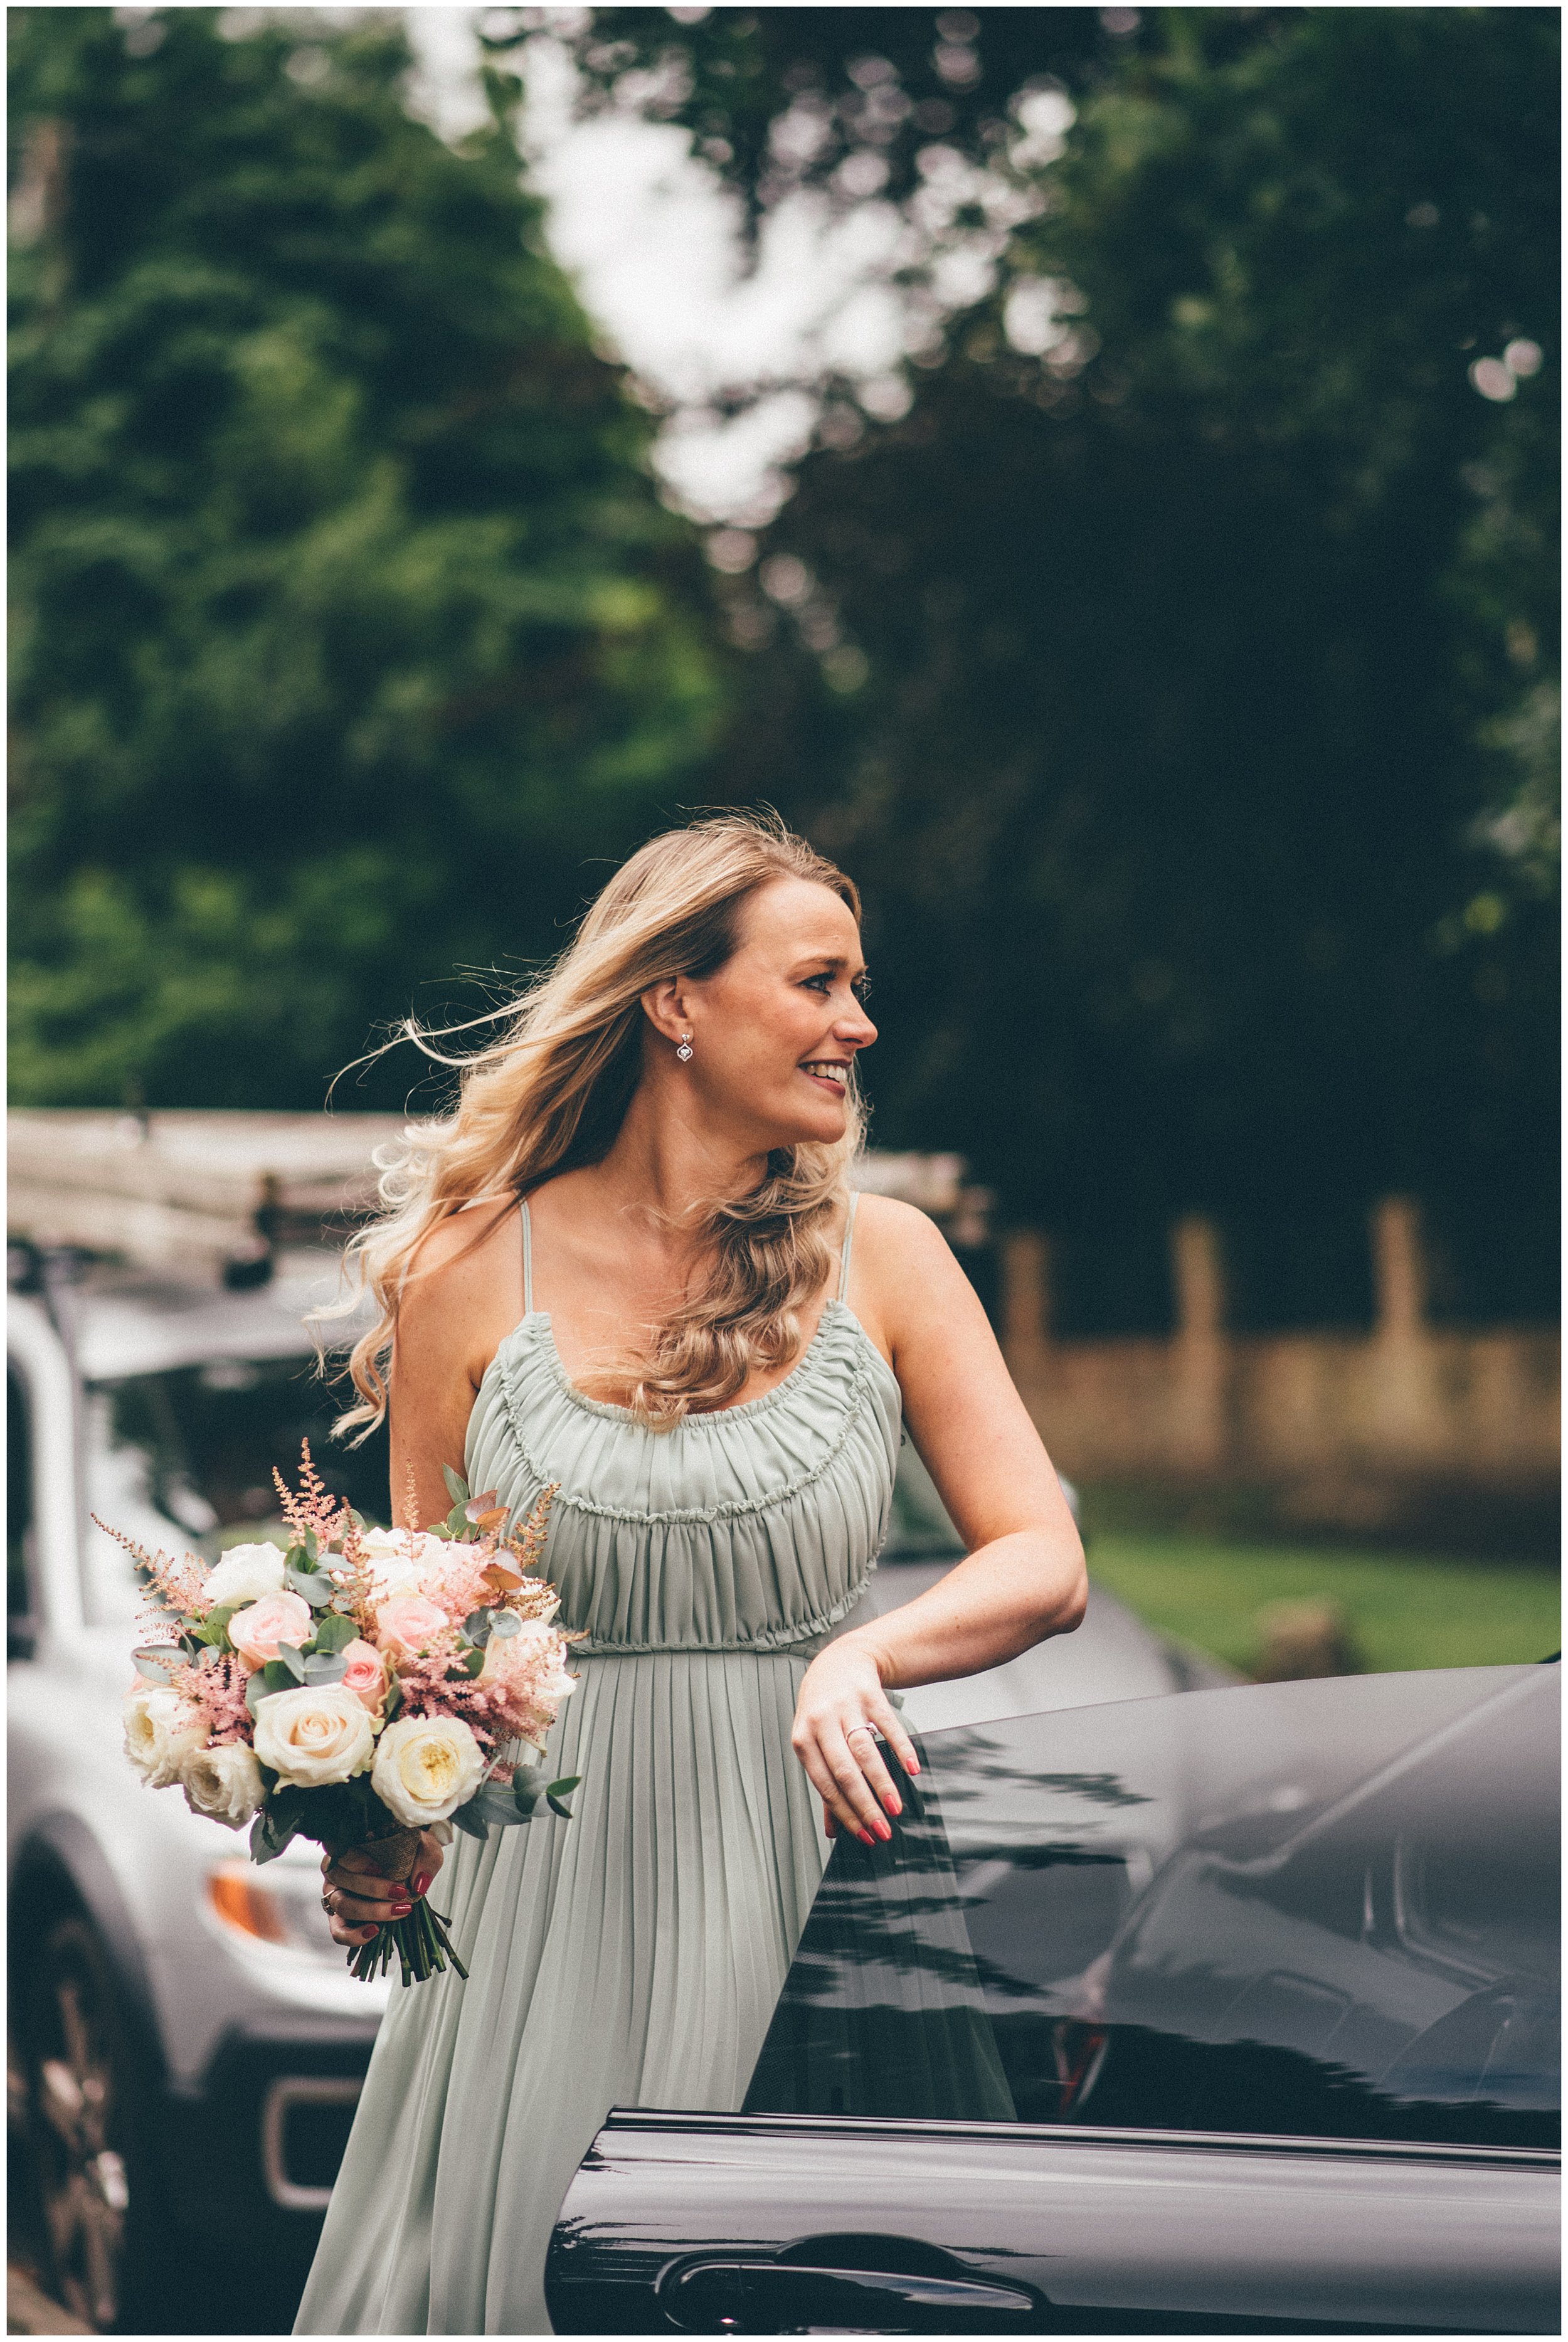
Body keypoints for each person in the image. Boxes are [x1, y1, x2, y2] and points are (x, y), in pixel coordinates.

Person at [296, 814, 1085, 2335]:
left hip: (819, 1879)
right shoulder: (469, 1269)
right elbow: (422, 1648)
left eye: (857, 987)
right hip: (548, 1910)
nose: (857, 1022)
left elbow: (1041, 1555)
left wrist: (867, 1656)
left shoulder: (892, 1255)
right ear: (675, 1002)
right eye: (817, 982)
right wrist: (376, 1845)